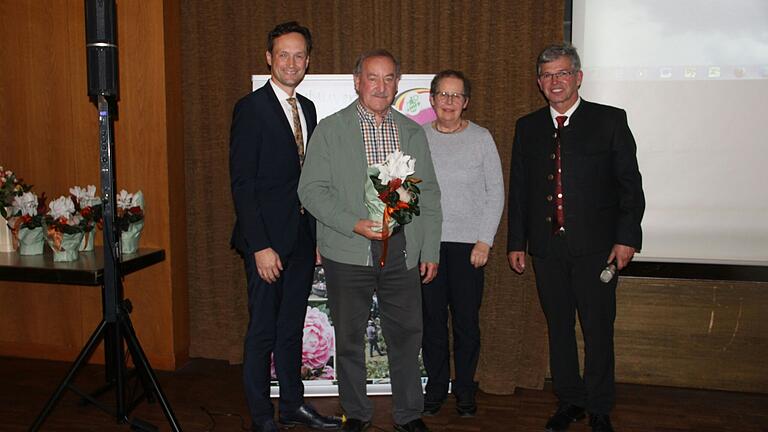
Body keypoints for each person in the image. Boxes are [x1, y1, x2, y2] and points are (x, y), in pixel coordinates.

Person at [298, 49, 442, 432]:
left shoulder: (412, 131)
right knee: (348, 338)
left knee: (407, 337)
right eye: (373, 78)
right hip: (347, 250)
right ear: (357, 81)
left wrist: (430, 249)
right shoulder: (331, 130)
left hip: (403, 250)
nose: (381, 86)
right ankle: (356, 414)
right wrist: (354, 224)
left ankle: (410, 414)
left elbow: (429, 196)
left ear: (398, 82)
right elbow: (310, 190)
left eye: (389, 78)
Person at [507, 43, 645, 432]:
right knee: (559, 327)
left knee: (598, 327)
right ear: (539, 82)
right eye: (548, 75)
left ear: (578, 77)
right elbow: (520, 190)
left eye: (563, 73)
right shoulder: (527, 126)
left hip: (598, 249)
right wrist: (517, 242)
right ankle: (570, 400)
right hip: (547, 249)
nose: (556, 81)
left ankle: (600, 405)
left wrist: (626, 238)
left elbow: (629, 186)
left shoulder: (609, 121)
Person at [229, 21, 341, 432]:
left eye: (299, 55)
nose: (291, 62)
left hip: (299, 241)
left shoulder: (308, 108)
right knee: (262, 330)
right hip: (266, 246)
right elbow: (242, 184)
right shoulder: (251, 108)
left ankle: (293, 405)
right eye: (283, 55)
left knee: (292, 328)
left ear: (308, 61)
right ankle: (262, 416)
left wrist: (312, 236)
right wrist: (260, 246)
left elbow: (306, 182)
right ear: (268, 59)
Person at [420, 70, 504, 418]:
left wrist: (485, 241)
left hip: (469, 247)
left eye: (457, 96)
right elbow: (409, 192)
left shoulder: (482, 138)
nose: (449, 102)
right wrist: (422, 244)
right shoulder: (418, 137)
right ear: (432, 99)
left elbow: (495, 193)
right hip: (431, 247)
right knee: (433, 323)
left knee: (467, 324)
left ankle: (465, 389)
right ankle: (437, 387)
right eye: (443, 94)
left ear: (466, 102)